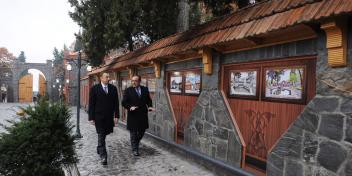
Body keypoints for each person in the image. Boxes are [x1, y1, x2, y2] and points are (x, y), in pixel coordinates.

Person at [88, 72, 119, 165]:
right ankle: (103, 156)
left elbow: (116, 104)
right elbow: (91, 104)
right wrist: (91, 117)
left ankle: (99, 147)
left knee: (104, 134)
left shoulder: (113, 89)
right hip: (99, 117)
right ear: (101, 78)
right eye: (107, 77)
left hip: (109, 117)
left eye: (109, 77)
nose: (108, 78)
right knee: (101, 135)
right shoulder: (94, 89)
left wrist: (116, 116)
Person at [122, 75, 155, 156]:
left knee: (141, 131)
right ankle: (135, 149)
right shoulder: (128, 90)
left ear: (139, 81)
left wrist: (150, 106)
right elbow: (124, 102)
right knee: (133, 133)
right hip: (133, 115)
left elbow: (148, 100)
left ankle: (135, 143)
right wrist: (130, 107)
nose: (133, 82)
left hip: (142, 114)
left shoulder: (145, 89)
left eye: (135, 80)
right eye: (132, 80)